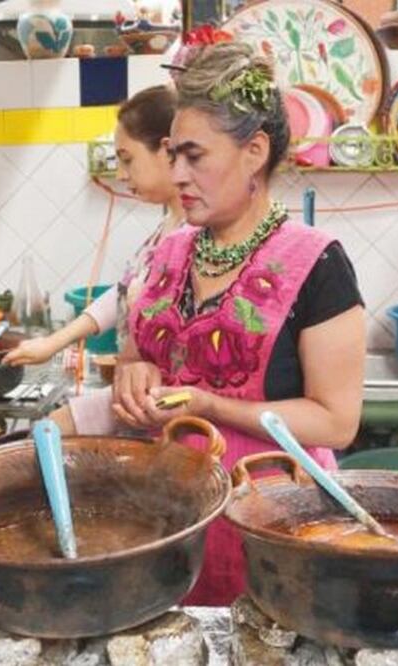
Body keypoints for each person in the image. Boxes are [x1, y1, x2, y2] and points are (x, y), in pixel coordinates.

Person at [111, 42, 366, 606]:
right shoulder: (168, 251)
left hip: (274, 529)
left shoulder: (317, 263)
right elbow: (136, 351)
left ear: (254, 152)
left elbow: (336, 422)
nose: (177, 173)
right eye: (172, 154)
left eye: (194, 156)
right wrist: (132, 371)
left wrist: (211, 407)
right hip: (171, 522)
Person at [2, 85, 184, 435]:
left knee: (46, 438)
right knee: (46, 438)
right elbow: (122, 293)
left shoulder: (194, 238)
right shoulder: (166, 228)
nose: (122, 174)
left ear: (167, 151)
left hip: (162, 408)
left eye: (128, 159)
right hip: (137, 400)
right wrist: (52, 343)